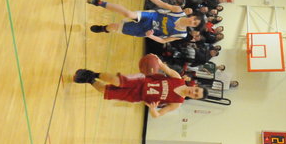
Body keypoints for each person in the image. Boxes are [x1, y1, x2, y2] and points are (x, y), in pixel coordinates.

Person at [73, 58, 207, 118]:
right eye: (196, 90)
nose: (193, 92)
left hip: (138, 96)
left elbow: (158, 115)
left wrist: (153, 110)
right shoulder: (178, 78)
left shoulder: (177, 103)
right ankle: (94, 74)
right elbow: (164, 67)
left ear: (194, 98)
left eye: (195, 95)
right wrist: (156, 60)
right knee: (116, 81)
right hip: (141, 81)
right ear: (195, 86)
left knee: (104, 91)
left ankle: (89, 79)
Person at [86, 0, 202, 43]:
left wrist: (150, 36)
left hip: (147, 30)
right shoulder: (178, 11)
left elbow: (164, 41)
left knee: (114, 27)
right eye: (194, 19)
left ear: (194, 27)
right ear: (192, 16)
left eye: (195, 24)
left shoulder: (182, 34)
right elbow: (161, 3)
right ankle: (99, 2)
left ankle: (104, 28)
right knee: (129, 13)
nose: (192, 22)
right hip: (152, 17)